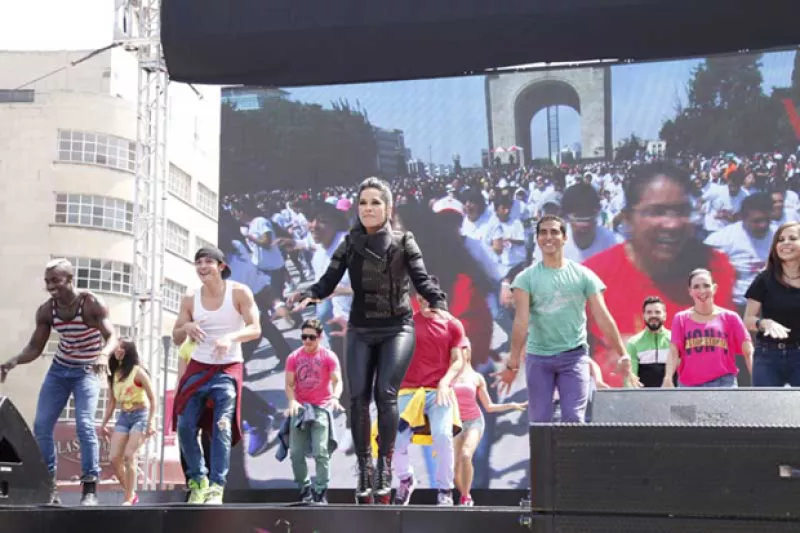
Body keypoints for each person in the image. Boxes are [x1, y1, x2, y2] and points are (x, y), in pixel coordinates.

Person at [290, 177, 448, 504]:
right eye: (363, 203)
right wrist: (308, 294)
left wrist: (437, 300)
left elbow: (420, 279)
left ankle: (385, 466)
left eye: (375, 202)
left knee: (385, 394)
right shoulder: (349, 243)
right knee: (358, 398)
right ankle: (365, 469)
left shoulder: (405, 241)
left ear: (388, 208)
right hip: (361, 328)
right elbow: (327, 281)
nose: (368, 208)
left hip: (397, 327)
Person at [583, 163, 736, 387]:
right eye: (657, 212)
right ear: (627, 219)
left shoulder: (714, 268)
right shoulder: (591, 278)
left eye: (681, 211)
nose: (672, 224)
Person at [494, 215, 638, 424]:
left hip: (574, 359)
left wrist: (623, 354)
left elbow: (603, 317)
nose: (548, 237)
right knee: (540, 423)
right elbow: (521, 322)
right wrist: (513, 364)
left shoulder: (583, 275)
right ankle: (545, 458)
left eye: (554, 232)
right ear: (537, 239)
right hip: (539, 360)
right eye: (543, 232)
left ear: (564, 238)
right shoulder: (526, 279)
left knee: (574, 421)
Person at [0, 258, 118, 506]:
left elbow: (112, 336)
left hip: (86, 371)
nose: (50, 285)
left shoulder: (91, 303)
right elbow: (34, 347)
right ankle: (49, 486)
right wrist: (12, 362)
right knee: (41, 426)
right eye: (47, 281)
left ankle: (89, 488)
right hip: (59, 370)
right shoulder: (47, 310)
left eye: (55, 280)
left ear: (70, 279)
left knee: (85, 425)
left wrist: (103, 354)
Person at [172, 246, 261, 505]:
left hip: (227, 367)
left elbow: (255, 328)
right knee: (186, 426)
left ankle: (216, 486)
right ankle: (197, 480)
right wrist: (186, 326)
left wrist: (230, 337)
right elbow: (176, 337)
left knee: (221, 426)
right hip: (198, 366)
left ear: (221, 266)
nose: (202, 266)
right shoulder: (190, 298)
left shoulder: (239, 292)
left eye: (208, 261)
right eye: (198, 262)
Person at [393, 277, 467, 507]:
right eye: (420, 294)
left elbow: (458, 361)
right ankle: (406, 480)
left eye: (428, 293)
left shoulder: (452, 324)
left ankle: (445, 490)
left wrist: (445, 382)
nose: (423, 299)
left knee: (443, 437)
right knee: (395, 440)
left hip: (438, 392)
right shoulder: (406, 323)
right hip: (409, 392)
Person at [451, 341, 526, 507]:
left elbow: (489, 406)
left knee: (468, 455)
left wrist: (511, 405)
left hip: (474, 421)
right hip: (455, 423)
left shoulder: (477, 377)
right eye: (459, 350)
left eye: (465, 350)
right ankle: (459, 496)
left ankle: (469, 496)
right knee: (455, 465)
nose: (462, 354)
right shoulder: (447, 377)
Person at [284, 319, 343, 505]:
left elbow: (337, 381)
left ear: (320, 337)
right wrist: (292, 400)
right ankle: (304, 488)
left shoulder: (328, 356)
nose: (307, 341)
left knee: (321, 451)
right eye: (304, 337)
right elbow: (289, 384)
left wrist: (335, 397)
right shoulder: (294, 357)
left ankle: (320, 491)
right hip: (301, 409)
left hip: (320, 408)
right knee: (295, 453)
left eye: (311, 337)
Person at [663, 269, 753, 388]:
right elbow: (674, 353)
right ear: (690, 291)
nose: (702, 291)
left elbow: (748, 351)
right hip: (689, 386)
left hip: (724, 384)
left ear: (714, 288)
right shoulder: (680, 319)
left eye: (706, 285)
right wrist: (668, 378)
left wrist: (757, 380)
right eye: (696, 287)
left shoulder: (730, 317)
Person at [100, 338, 157, 505]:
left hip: (141, 415)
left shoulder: (138, 372)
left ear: (129, 352)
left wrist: (151, 422)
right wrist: (104, 423)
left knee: (129, 455)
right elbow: (111, 402)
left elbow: (153, 399)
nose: (118, 351)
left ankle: (129, 497)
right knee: (114, 457)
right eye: (116, 348)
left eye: (122, 348)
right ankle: (130, 491)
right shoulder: (114, 374)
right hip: (124, 416)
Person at [743, 222, 800, 386]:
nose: (785, 243)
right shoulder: (764, 279)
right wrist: (763, 323)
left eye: (793, 238)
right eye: (780, 240)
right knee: (764, 407)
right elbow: (747, 320)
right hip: (768, 356)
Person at [176, 339, 212, 493]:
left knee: (209, 439)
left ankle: (210, 482)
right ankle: (192, 481)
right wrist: (179, 399)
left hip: (211, 395)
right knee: (185, 437)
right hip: (190, 397)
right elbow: (181, 377)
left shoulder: (213, 341)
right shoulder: (186, 346)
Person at [626, 296, 672, 388]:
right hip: (643, 398)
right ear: (644, 316)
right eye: (649, 312)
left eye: (657, 312)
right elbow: (630, 378)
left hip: (672, 397)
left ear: (665, 315)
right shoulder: (633, 343)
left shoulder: (675, 340)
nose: (653, 315)